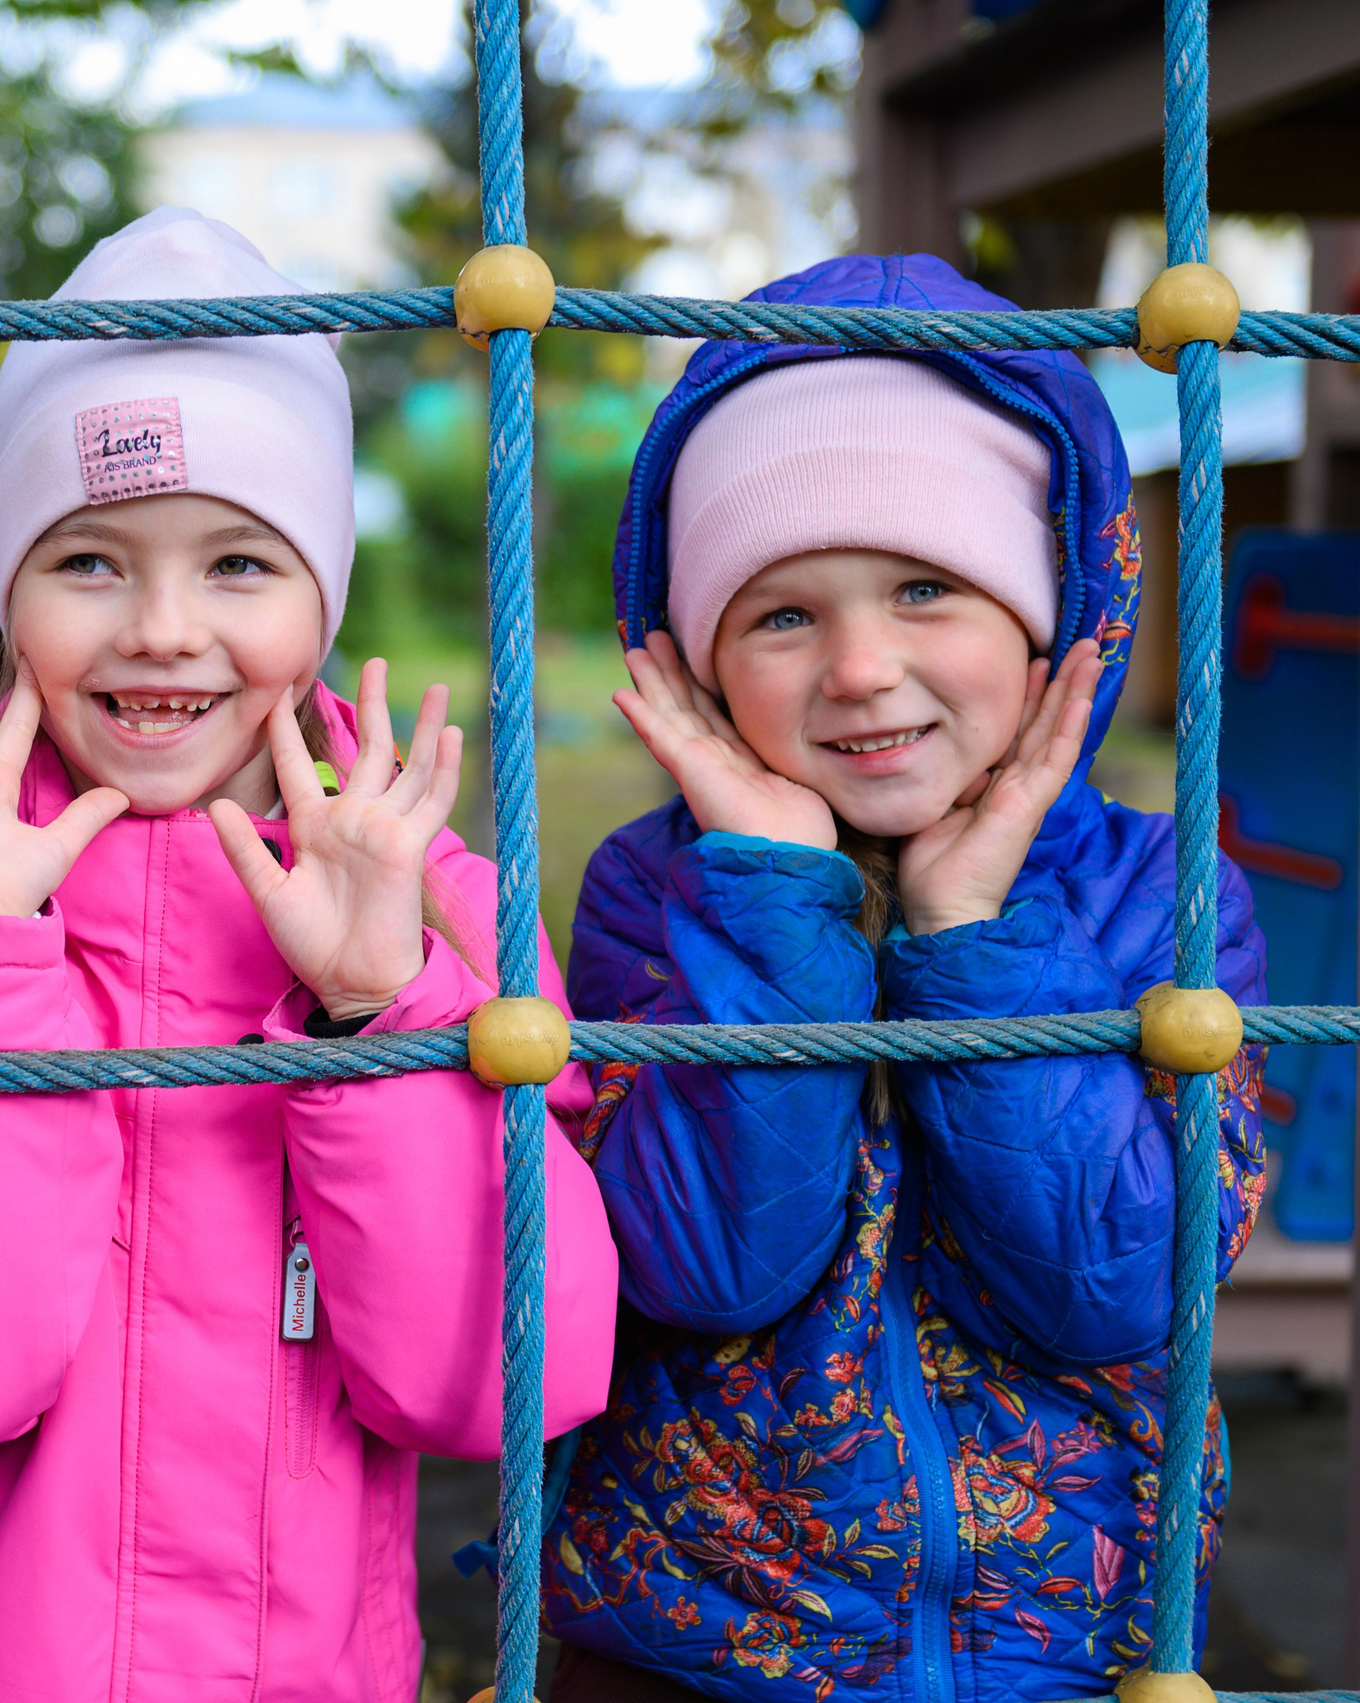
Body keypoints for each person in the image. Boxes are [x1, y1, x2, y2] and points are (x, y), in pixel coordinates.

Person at [0, 207, 619, 1703]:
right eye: (89, 562)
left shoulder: (445, 919)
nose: (165, 630)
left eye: (241, 563)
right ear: (6, 598)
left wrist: (376, 1013)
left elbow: (502, 1386)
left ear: (325, 598)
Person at [538, 254, 1268, 1703]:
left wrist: (970, 932)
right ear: (698, 664)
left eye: (927, 588)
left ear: (1052, 617)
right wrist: (774, 903)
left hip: (1060, 1649)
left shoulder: (1161, 892)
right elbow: (710, 1269)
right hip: (698, 1645)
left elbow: (1116, 1290)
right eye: (783, 616)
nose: (863, 668)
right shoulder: (658, 889)